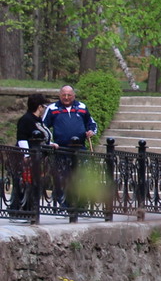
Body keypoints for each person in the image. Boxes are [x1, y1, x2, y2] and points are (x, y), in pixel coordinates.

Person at [42, 85, 96, 213]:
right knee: (63, 177)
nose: (66, 98)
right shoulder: (53, 108)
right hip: (61, 149)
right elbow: (43, 127)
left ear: (74, 95)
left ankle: (81, 205)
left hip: (80, 148)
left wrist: (91, 131)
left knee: (81, 176)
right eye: (63, 95)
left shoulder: (82, 107)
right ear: (59, 95)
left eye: (69, 95)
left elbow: (92, 123)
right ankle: (64, 205)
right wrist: (50, 142)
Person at [8, 94, 49, 215]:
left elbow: (43, 137)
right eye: (44, 106)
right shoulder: (26, 119)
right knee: (23, 182)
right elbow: (22, 138)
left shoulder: (38, 120)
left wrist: (50, 144)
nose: (45, 109)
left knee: (33, 183)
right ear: (39, 107)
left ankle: (30, 208)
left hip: (37, 157)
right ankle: (19, 209)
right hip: (26, 157)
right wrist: (27, 155)